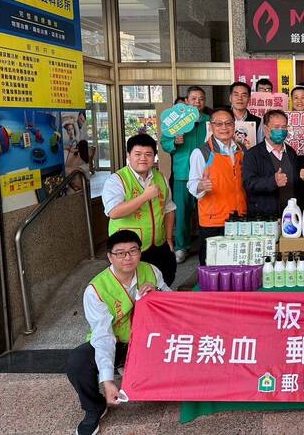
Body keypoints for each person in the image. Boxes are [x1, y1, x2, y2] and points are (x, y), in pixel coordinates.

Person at [67, 230, 171, 435]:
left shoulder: (151, 270)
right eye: (120, 253)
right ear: (109, 257)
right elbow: (103, 336)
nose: (128, 257)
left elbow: (172, 303)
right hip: (117, 341)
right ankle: (94, 408)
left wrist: (158, 294)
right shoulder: (96, 289)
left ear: (140, 252)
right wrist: (107, 381)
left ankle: (143, 372)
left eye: (133, 251)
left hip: (148, 339)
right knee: (78, 362)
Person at [102, 134, 177, 286]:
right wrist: (144, 197)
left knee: (166, 279)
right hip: (129, 251)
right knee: (135, 288)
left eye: (148, 154)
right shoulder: (116, 180)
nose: (143, 158)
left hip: (159, 244)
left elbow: (169, 209)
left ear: (154, 157)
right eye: (138, 154)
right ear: (128, 155)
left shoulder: (160, 178)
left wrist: (169, 238)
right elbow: (114, 212)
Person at [188, 109, 247, 265]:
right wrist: (201, 185)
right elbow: (192, 184)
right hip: (213, 220)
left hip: (239, 218)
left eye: (228, 123)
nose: (224, 127)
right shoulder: (202, 152)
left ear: (234, 125)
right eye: (218, 124)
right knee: (212, 265)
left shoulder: (242, 150)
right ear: (210, 127)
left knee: (237, 263)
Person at [160, 86, 209, 263]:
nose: (197, 102)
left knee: (205, 210)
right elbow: (164, 143)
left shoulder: (209, 121)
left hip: (205, 174)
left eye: (201, 99)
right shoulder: (176, 120)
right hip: (182, 173)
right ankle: (182, 246)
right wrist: (174, 141)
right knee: (182, 212)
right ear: (186, 101)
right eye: (194, 98)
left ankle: (207, 246)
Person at [243, 110, 304, 216]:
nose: (281, 131)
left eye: (284, 127)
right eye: (276, 127)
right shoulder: (252, 154)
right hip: (265, 217)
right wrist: (273, 181)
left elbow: (296, 184)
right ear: (265, 129)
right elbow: (249, 184)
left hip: (291, 214)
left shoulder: (291, 152)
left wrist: (303, 179)